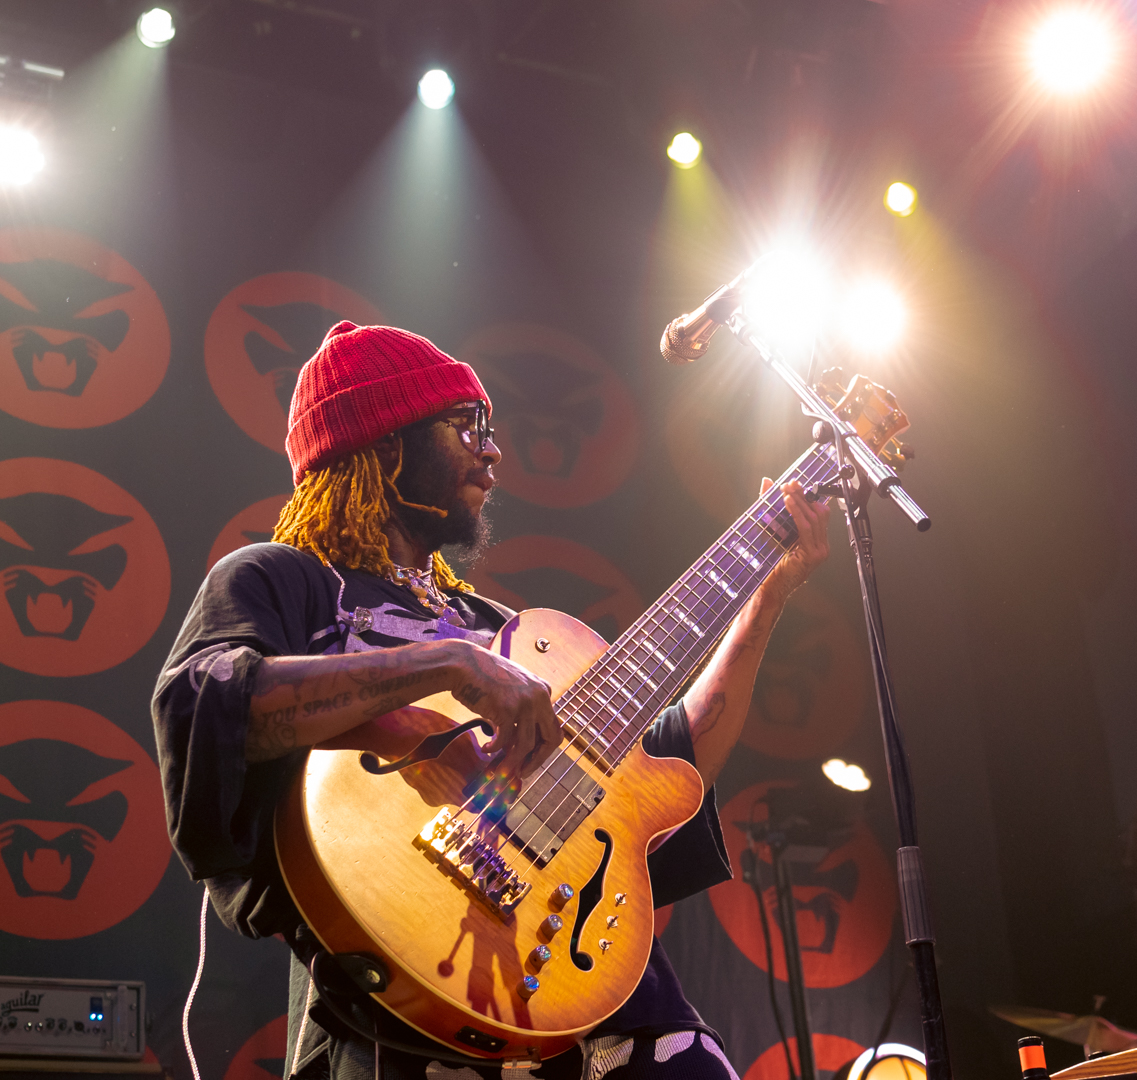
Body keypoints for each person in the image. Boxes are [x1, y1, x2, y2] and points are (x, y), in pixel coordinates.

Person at [152, 322, 830, 1080]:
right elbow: (209, 709)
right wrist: (447, 665)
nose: (493, 451)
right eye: (467, 426)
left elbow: (669, 763)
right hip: (395, 1018)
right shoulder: (279, 580)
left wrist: (764, 601)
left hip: (573, 1006)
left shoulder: (497, 632)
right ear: (385, 441)